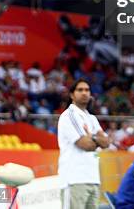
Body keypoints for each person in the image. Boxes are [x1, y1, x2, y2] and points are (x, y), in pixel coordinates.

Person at [57, 79, 109, 208]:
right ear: (72, 95)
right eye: (80, 90)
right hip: (74, 179)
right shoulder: (69, 116)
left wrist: (92, 137)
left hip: (93, 179)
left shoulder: (92, 118)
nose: (84, 93)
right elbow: (85, 145)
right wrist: (97, 139)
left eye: (87, 90)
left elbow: (106, 142)